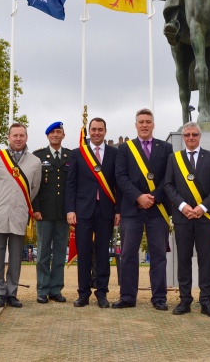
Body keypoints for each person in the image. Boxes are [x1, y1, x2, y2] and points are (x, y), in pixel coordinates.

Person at [113, 109, 174, 311]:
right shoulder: (124, 149)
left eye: (148, 121)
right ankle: (128, 296)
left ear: (153, 124)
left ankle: (159, 298)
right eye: (141, 122)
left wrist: (152, 198)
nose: (145, 125)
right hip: (132, 208)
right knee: (129, 254)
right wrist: (138, 197)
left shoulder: (165, 147)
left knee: (158, 254)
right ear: (136, 125)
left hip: (157, 209)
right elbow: (120, 177)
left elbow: (169, 177)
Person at [163, 122, 210, 318]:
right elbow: (168, 186)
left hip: (204, 217)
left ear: (200, 136)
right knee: (184, 259)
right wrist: (183, 207)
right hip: (183, 218)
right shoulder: (175, 159)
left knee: (205, 260)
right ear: (183, 137)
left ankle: (206, 301)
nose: (191, 138)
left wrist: (202, 208)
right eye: (187, 135)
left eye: (194, 135)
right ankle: (185, 299)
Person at [0, 123, 42, 308]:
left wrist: (19, 203)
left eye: (22, 135)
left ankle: (12, 293)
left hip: (19, 215)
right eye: (15, 135)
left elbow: (34, 188)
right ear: (8, 137)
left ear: (26, 138)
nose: (18, 138)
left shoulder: (35, 162)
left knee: (16, 258)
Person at [65, 117, 121, 308]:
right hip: (82, 210)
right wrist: (70, 210)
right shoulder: (78, 153)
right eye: (94, 129)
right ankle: (83, 293)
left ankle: (102, 293)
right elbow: (71, 183)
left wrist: (118, 210)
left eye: (100, 129)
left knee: (104, 253)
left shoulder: (115, 153)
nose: (97, 133)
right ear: (89, 131)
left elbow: (118, 184)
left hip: (106, 209)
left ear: (105, 131)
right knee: (85, 252)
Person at [31, 121, 71, 304]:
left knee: (60, 252)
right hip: (44, 213)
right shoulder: (38, 156)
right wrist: (36, 208)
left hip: (63, 213)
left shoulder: (71, 156)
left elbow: (73, 186)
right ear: (47, 136)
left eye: (59, 132)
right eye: (52, 132)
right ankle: (42, 289)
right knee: (44, 252)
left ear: (63, 135)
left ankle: (56, 289)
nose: (56, 135)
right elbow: (34, 186)